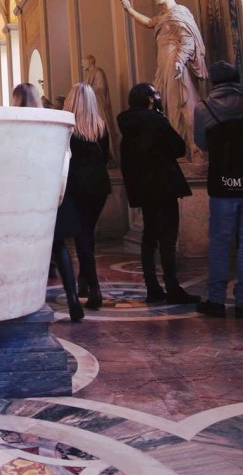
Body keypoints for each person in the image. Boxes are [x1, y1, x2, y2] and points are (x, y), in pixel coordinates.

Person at [117, 82, 199, 305]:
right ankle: (172, 287)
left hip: (144, 190)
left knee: (149, 239)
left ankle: (152, 288)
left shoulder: (126, 124)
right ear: (149, 98)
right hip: (164, 186)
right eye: (156, 93)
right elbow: (179, 147)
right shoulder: (156, 120)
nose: (159, 96)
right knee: (168, 240)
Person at [120, 0, 207, 159]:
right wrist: (130, 10)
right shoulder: (162, 16)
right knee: (166, 102)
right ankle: (178, 149)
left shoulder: (179, 12)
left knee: (179, 102)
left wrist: (180, 61)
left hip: (175, 63)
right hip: (164, 63)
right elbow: (149, 22)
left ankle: (192, 150)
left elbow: (188, 40)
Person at [52, 83, 110, 320]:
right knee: (87, 236)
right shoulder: (101, 126)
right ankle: (86, 282)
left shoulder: (67, 127)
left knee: (81, 238)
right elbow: (106, 157)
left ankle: (93, 288)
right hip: (99, 186)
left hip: (76, 186)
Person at [193, 61, 243, 318]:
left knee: (220, 243)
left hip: (222, 182)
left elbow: (201, 143)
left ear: (212, 81)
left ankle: (216, 299)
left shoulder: (203, 108)